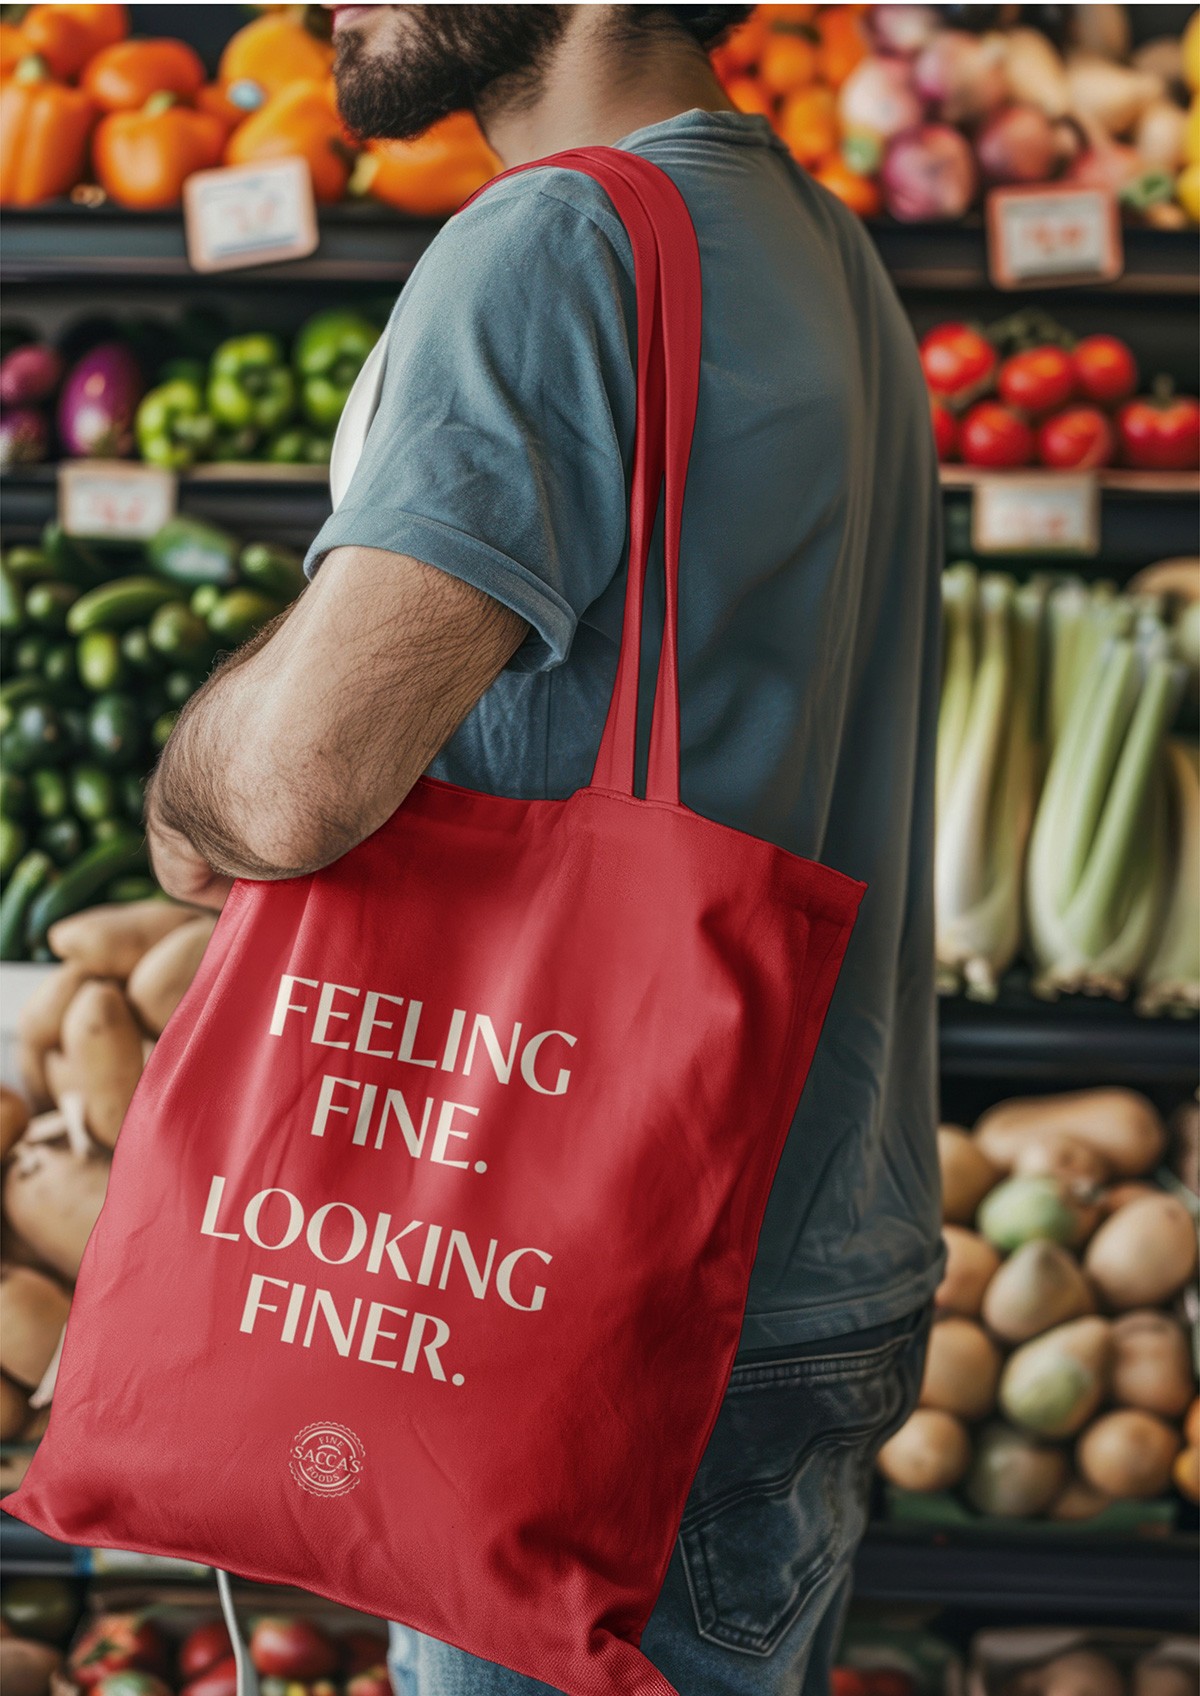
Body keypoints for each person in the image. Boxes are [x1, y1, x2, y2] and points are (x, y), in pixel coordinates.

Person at [145, 6, 944, 1693]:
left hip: (563, 1285)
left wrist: (187, 783)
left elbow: (298, 787)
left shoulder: (554, 240)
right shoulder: (816, 244)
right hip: (801, 1247)